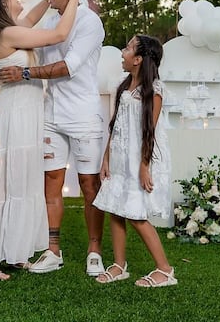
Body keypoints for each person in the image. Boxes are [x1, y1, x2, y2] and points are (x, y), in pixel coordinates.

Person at [0, 0, 93, 280]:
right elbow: (59, 34)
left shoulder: (10, 29)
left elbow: (32, 18)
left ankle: (14, 251)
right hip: (14, 114)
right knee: (3, 185)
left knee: (21, 182)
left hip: (26, 112)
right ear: (2, 3)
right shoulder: (6, 35)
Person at [0, 0, 106, 277]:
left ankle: (94, 249)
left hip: (83, 116)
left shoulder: (89, 22)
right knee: (51, 184)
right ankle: (53, 250)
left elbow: (68, 66)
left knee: (89, 185)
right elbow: (19, 35)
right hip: (50, 115)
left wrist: (24, 73)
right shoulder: (50, 20)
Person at [92, 35, 176, 287]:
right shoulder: (123, 84)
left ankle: (165, 269)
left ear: (138, 59)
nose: (122, 51)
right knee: (116, 210)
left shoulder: (153, 91)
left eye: (128, 48)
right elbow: (115, 125)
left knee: (136, 214)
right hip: (119, 157)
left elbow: (149, 131)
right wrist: (106, 157)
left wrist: (143, 166)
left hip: (138, 158)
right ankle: (119, 264)